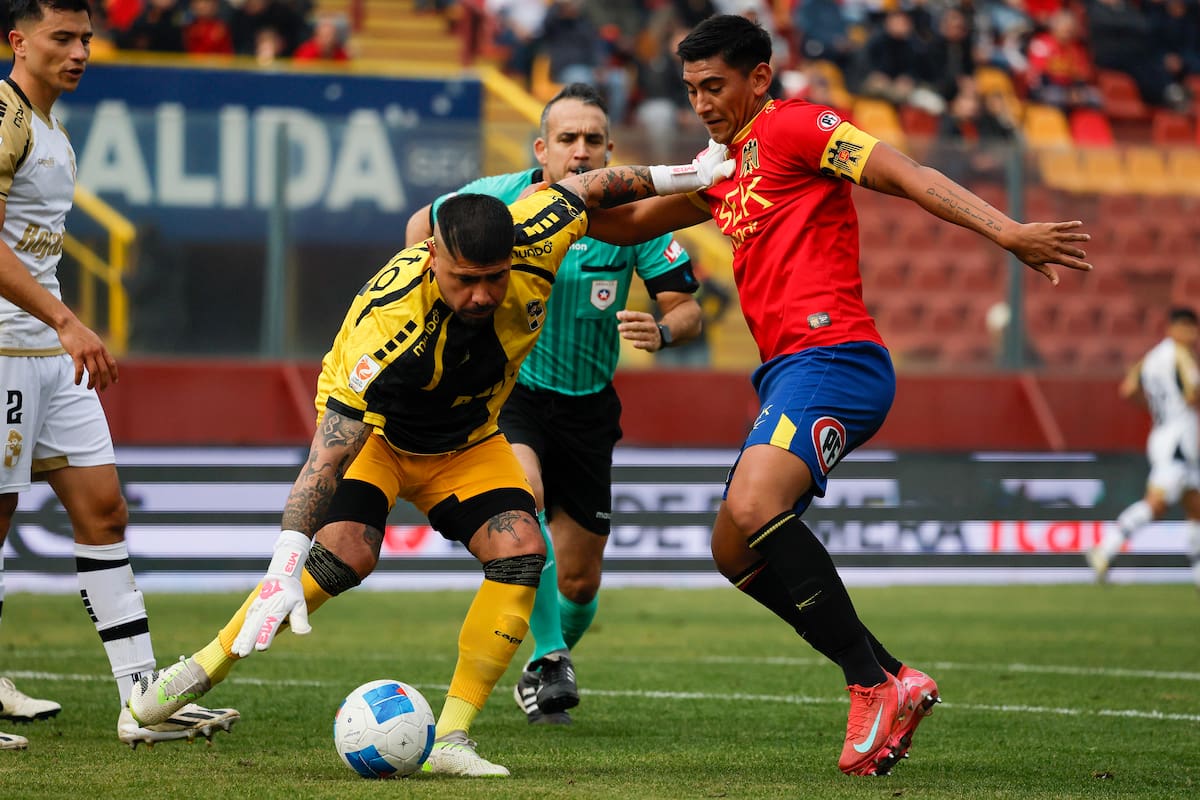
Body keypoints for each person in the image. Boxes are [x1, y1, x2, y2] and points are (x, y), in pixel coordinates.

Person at [586, 13, 1092, 777]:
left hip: (836, 357)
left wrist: (1007, 231)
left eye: (714, 86)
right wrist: (545, 201)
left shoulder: (797, 127)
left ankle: (869, 682)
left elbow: (909, 175)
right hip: (787, 371)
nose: (702, 103)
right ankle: (890, 676)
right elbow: (621, 225)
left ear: (759, 77)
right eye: (691, 90)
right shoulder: (722, 167)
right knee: (731, 548)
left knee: (757, 509)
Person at [125, 151, 733, 775]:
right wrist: (284, 564)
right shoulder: (386, 323)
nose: (481, 295)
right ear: (433, 256)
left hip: (467, 440)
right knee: (347, 556)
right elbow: (326, 459)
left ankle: (450, 741)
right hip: (379, 442)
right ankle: (194, 672)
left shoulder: (537, 233)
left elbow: (590, 185)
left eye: (494, 279)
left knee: (522, 550)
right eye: (464, 278)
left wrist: (690, 176)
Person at [405, 83, 703, 726]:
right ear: (542, 149)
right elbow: (421, 226)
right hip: (513, 394)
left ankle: (545, 660)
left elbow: (688, 308)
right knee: (524, 499)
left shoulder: (630, 219)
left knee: (579, 583)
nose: (581, 150)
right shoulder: (500, 201)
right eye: (567, 139)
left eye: (593, 139)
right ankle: (551, 654)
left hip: (591, 406)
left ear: (611, 150)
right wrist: (423, 289)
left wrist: (664, 329)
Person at [0, 0, 238, 751]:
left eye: (87, 38)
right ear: (18, 41)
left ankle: (141, 699)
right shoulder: (3, 117)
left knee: (104, 511)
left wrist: (60, 327)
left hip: (49, 355)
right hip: (9, 349)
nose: (79, 51)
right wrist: (67, 320)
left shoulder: (51, 128)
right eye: (62, 38)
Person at [1088, 307, 1200, 586]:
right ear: (1178, 328)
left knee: (1195, 505)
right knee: (1158, 503)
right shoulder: (1182, 356)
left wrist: (1155, 407)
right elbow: (1192, 394)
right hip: (1179, 438)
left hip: (1161, 432)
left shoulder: (1151, 358)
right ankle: (1106, 547)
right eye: (1190, 327)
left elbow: (1127, 389)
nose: (1193, 334)